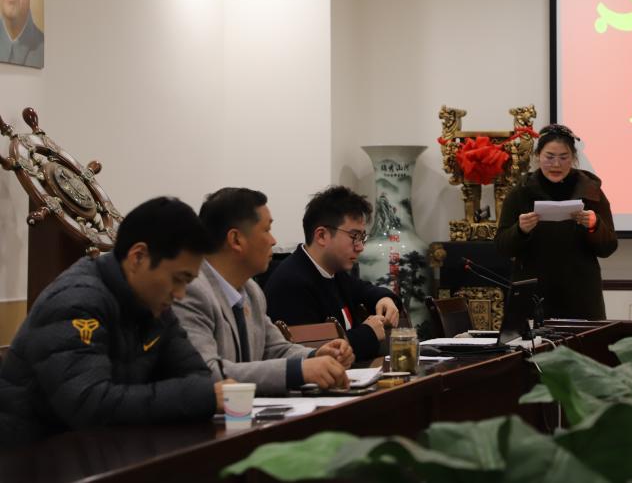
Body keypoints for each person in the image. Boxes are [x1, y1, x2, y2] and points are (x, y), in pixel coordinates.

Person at [0, 197, 226, 445]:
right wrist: (195, 397)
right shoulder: (76, 302)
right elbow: (89, 405)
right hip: (32, 456)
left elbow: (197, 379)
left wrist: (198, 394)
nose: (180, 294)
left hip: (101, 452)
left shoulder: (155, 307)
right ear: (138, 256)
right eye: (178, 279)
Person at [174, 188, 355, 395]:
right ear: (236, 240)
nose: (273, 241)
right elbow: (207, 373)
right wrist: (298, 371)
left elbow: (275, 349)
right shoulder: (191, 291)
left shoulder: (251, 290)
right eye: (267, 230)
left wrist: (316, 356)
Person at [264, 185, 401, 361]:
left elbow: (366, 290)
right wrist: (368, 333)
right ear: (322, 236)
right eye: (354, 236)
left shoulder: (334, 271)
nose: (360, 247)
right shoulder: (291, 283)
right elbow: (314, 353)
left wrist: (385, 298)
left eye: (362, 237)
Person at [496, 124, 618, 320]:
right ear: (538, 156)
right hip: (534, 295)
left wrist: (594, 226)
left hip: (581, 296)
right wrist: (520, 230)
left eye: (563, 157)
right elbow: (502, 247)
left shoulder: (590, 190)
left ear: (574, 158)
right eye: (550, 157)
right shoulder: (521, 191)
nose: (556, 164)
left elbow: (609, 247)